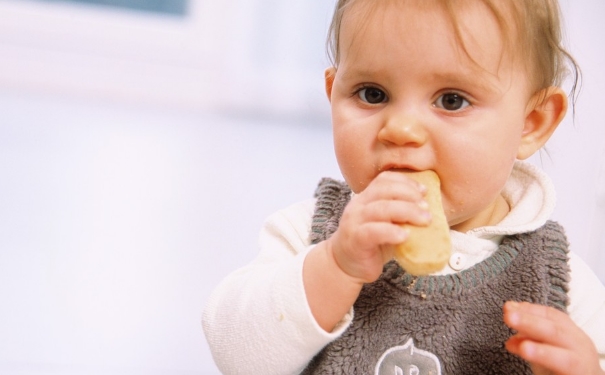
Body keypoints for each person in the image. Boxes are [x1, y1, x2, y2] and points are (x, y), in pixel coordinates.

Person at [203, 0, 605, 373]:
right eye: (372, 94)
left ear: (530, 123)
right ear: (333, 94)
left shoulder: (560, 281)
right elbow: (236, 354)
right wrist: (335, 267)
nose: (401, 129)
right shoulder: (314, 233)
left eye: (451, 100)